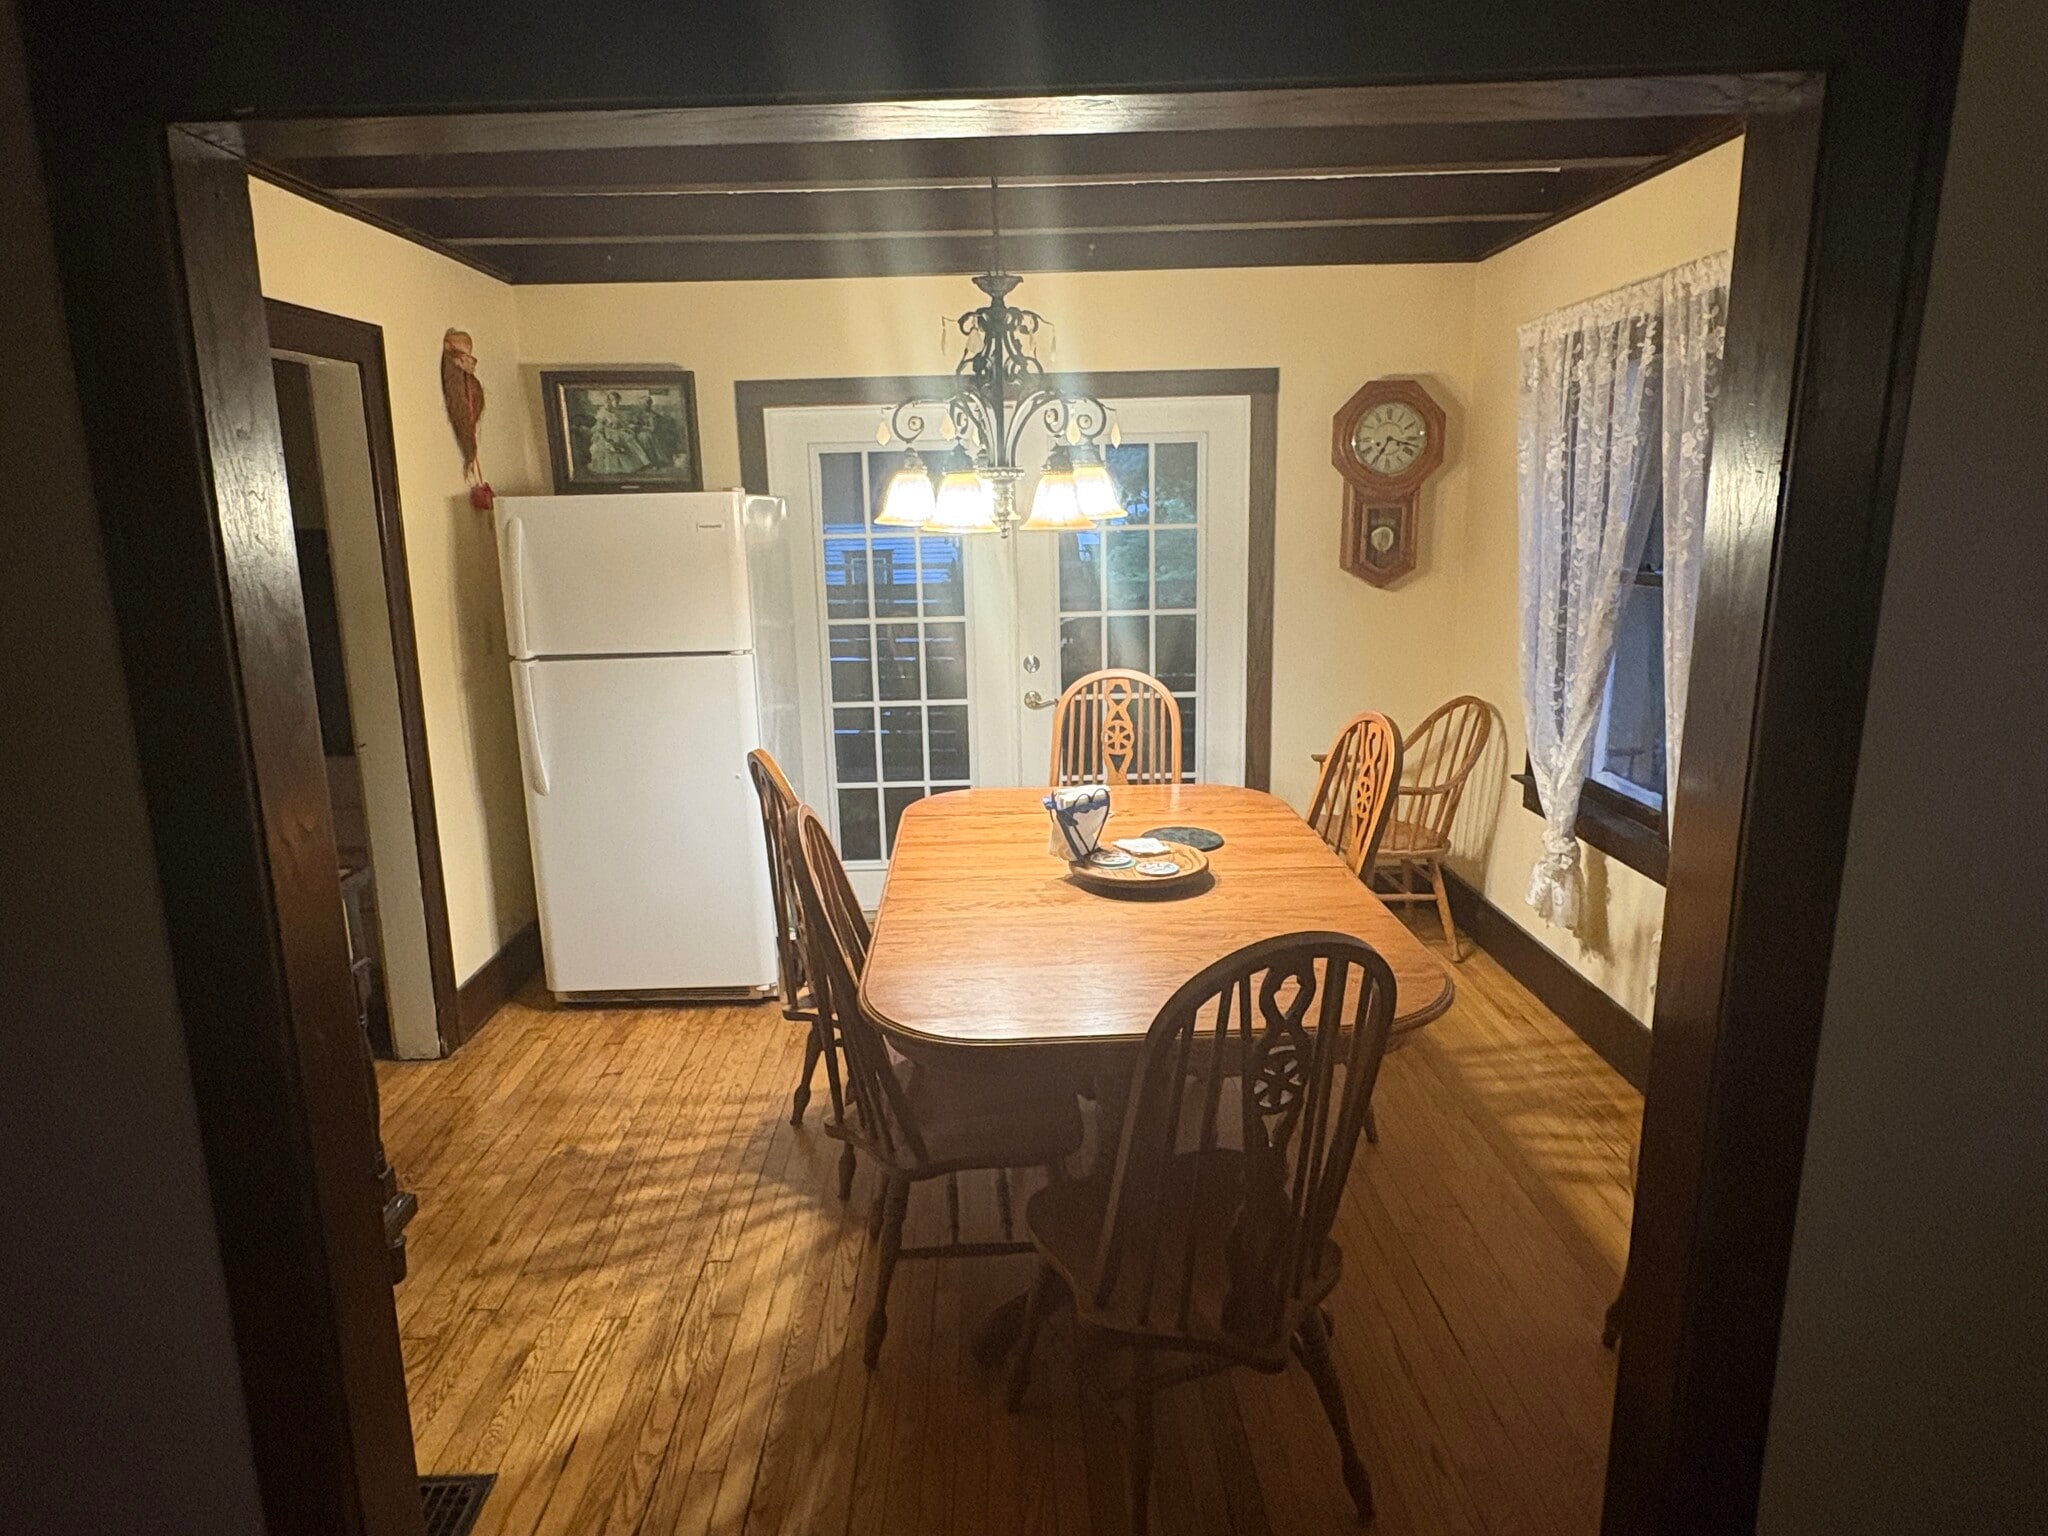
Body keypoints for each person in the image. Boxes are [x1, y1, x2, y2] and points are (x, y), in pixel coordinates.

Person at [585, 391, 649, 476]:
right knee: (612, 445)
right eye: (616, 402)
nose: (618, 404)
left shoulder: (615, 412)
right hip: (607, 434)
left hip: (617, 432)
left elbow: (619, 425)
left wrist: (627, 428)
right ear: (610, 401)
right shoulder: (602, 413)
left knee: (629, 440)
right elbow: (600, 429)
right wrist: (606, 440)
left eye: (619, 402)